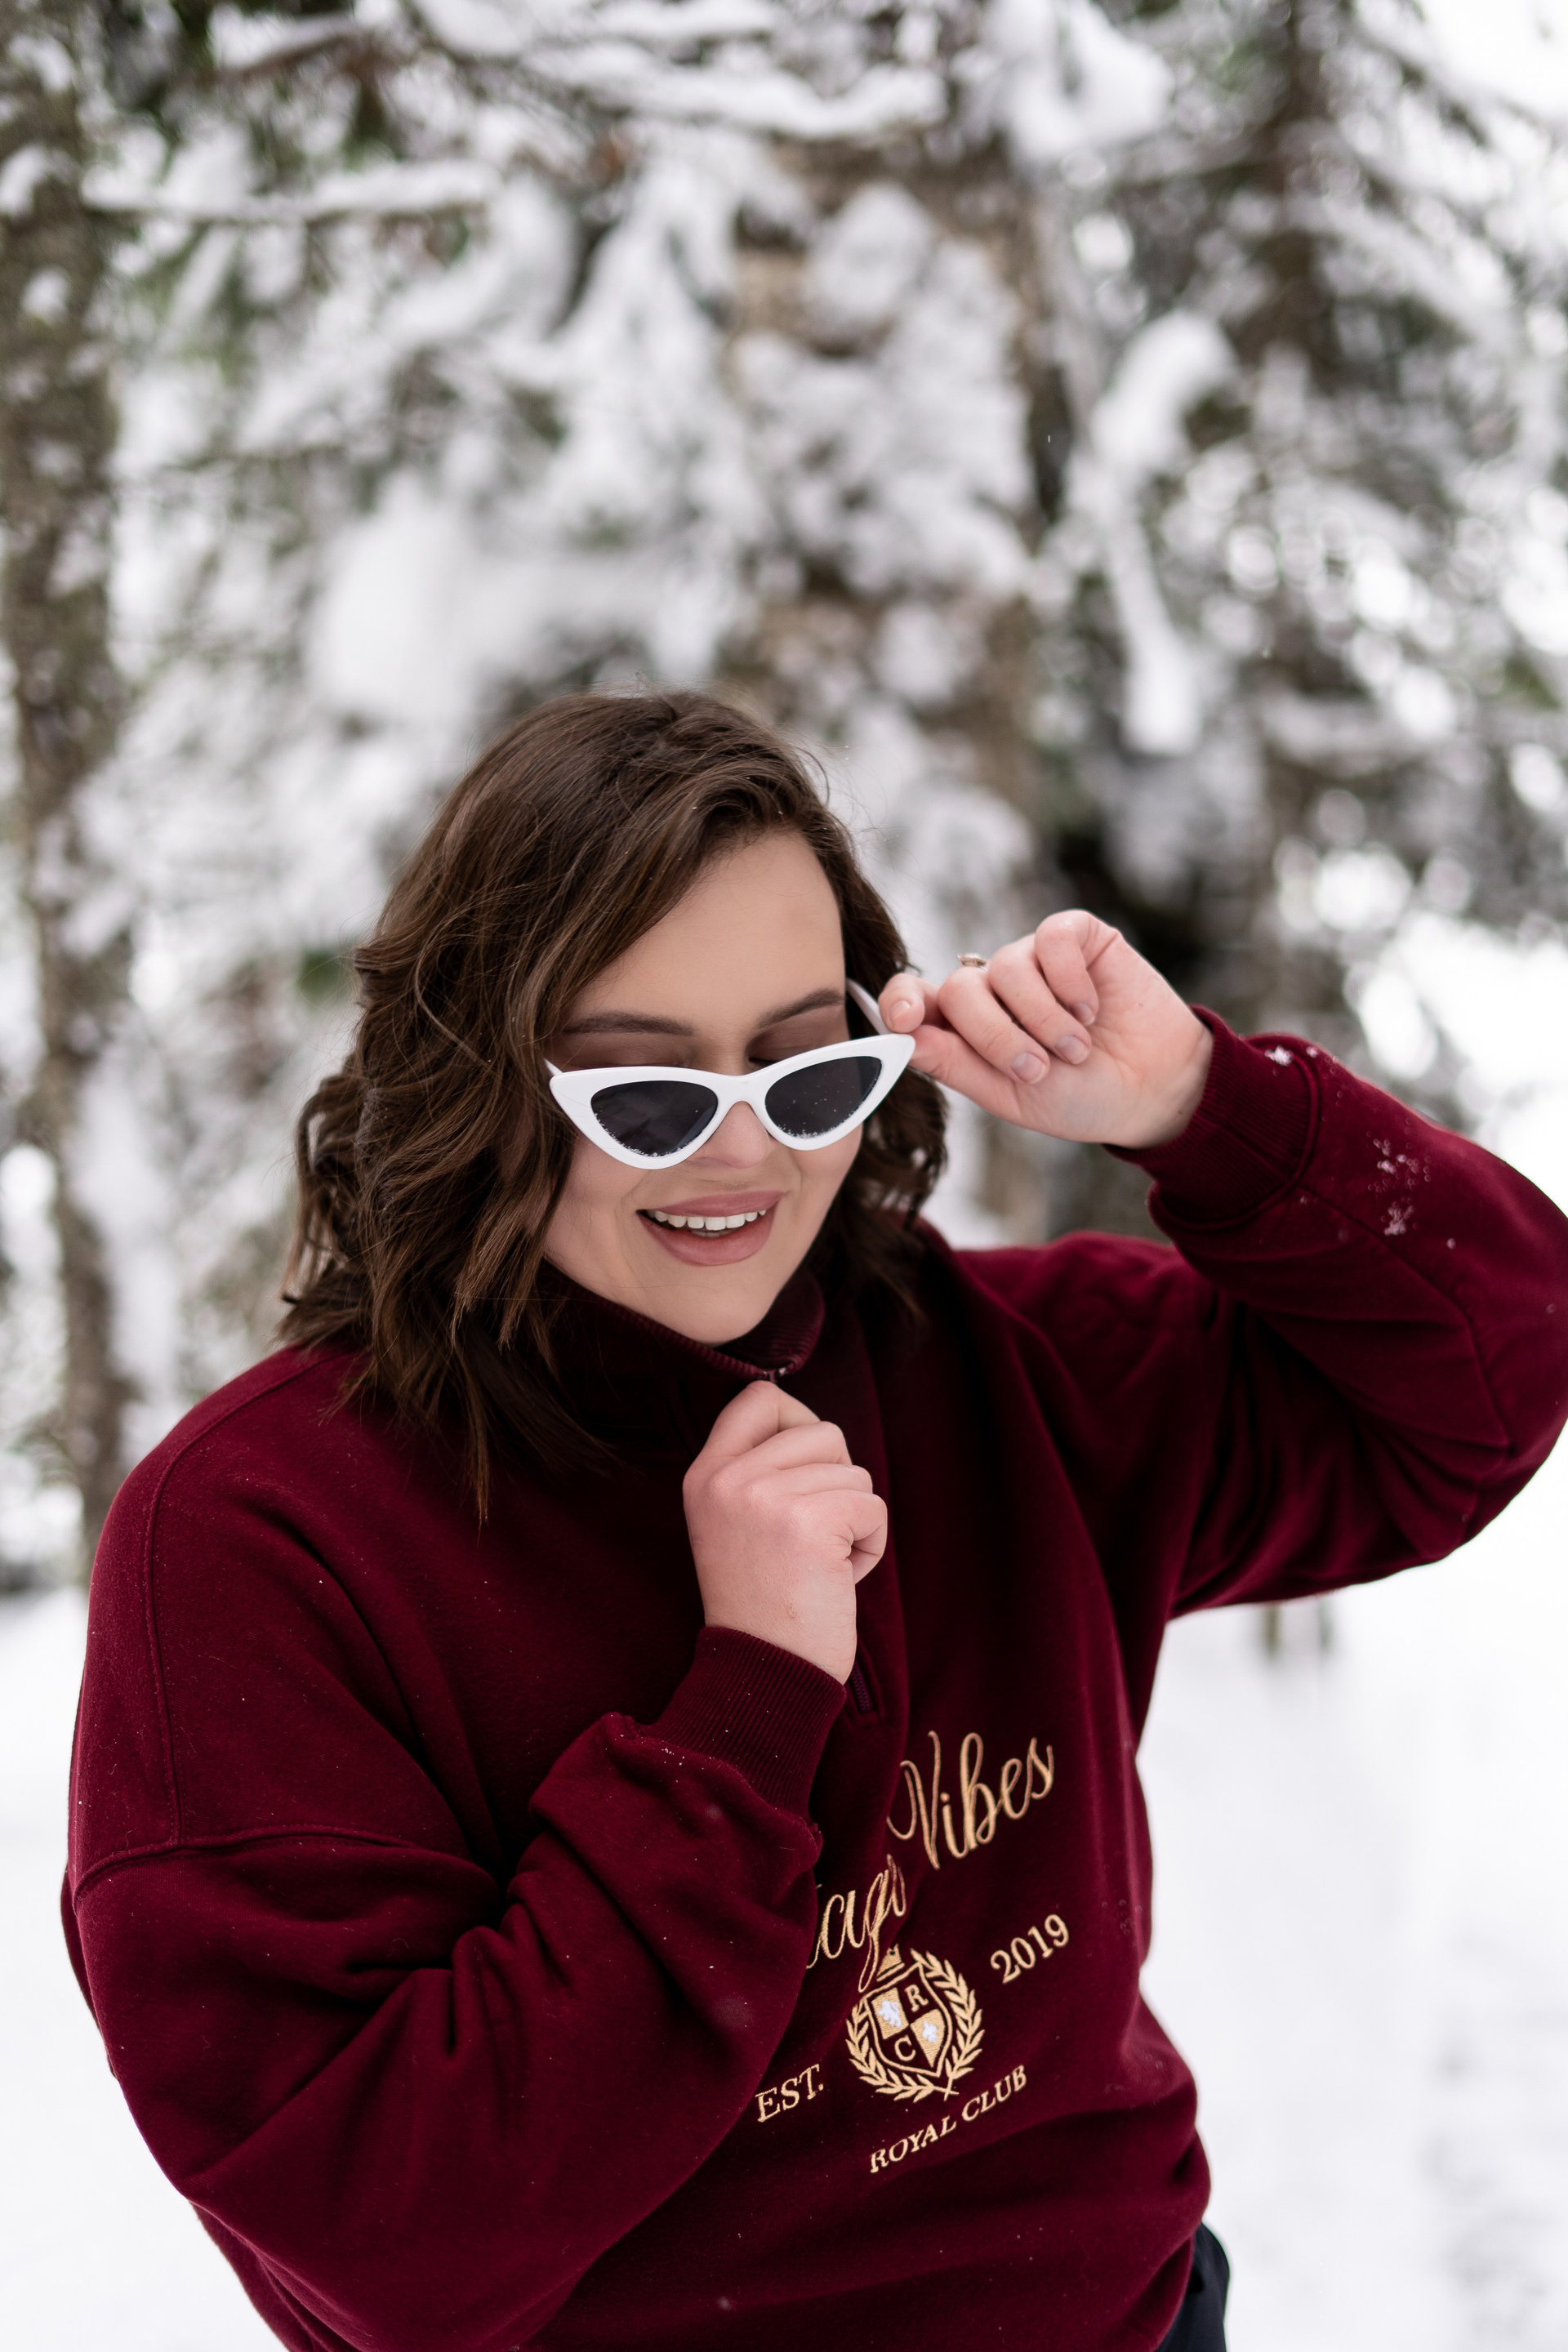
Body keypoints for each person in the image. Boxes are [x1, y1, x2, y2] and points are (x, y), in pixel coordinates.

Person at [63, 691, 1568, 2352]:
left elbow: (1490, 1377)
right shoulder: (262, 1540)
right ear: (482, 1081)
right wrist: (748, 1709)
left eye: (803, 1073)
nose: (742, 1154)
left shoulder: (995, 1372)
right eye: (644, 1096)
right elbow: (388, 2238)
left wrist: (1205, 1107)